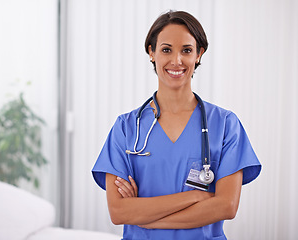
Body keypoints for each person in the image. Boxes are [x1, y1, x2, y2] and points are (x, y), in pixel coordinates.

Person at [92, 10, 261, 240]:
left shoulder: (225, 125)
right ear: (151, 53)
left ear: (199, 54)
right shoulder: (126, 128)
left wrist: (143, 216)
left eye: (187, 50)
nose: (176, 60)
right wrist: (196, 197)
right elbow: (119, 211)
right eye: (166, 49)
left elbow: (226, 207)